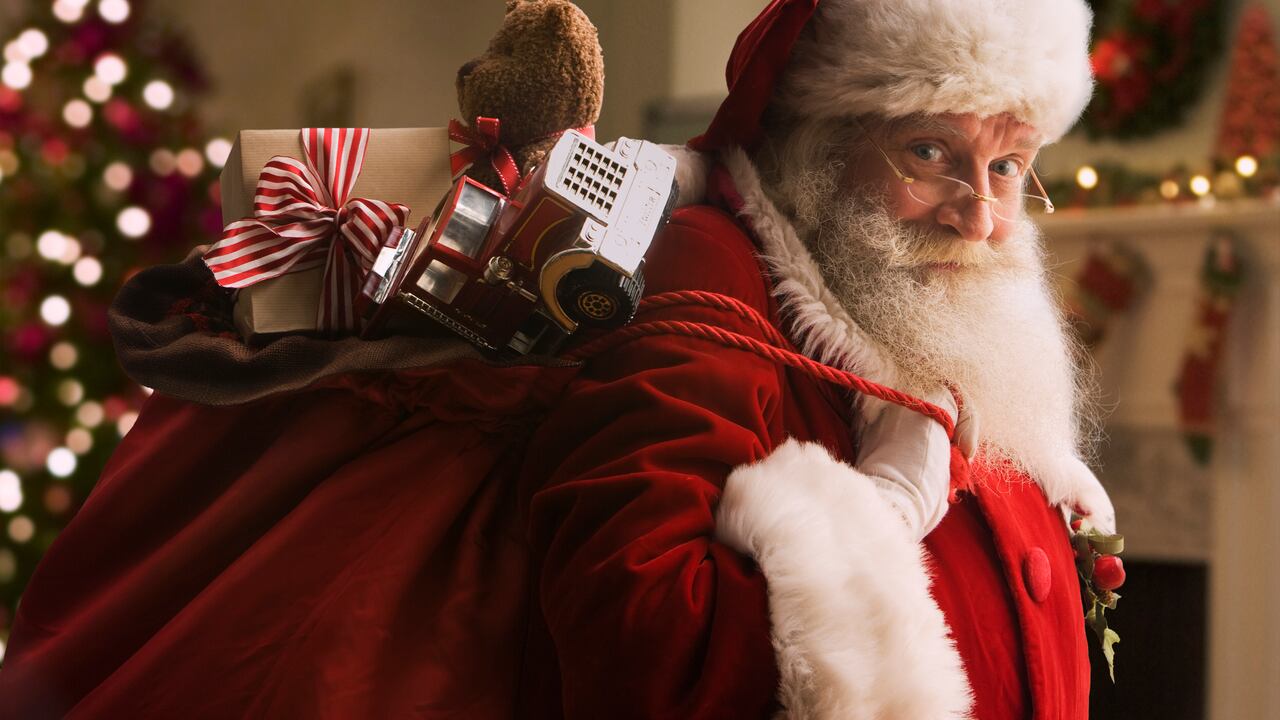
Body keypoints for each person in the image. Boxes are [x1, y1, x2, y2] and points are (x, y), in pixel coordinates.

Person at [0, 1, 1116, 718]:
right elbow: (645, 637)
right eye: (930, 153)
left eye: (1009, 165)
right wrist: (855, 527)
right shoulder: (706, 289)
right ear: (820, 150)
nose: (979, 215)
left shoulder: (904, 321)